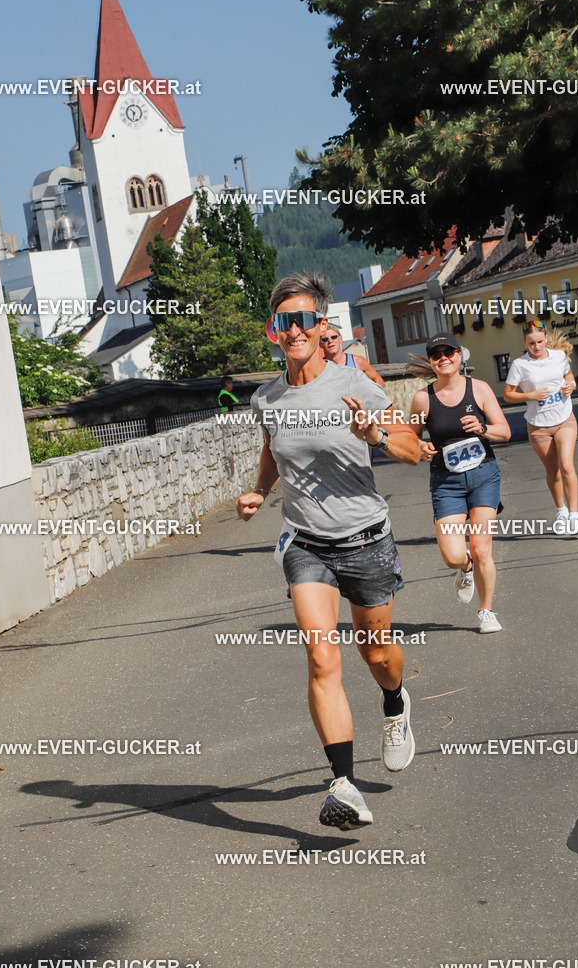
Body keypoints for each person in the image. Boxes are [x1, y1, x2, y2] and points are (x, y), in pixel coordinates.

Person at [236, 272, 421, 830]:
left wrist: (375, 436)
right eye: (283, 321)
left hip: (365, 538)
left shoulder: (355, 384)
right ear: (274, 330)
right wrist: (259, 490)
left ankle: (395, 703)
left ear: (320, 327)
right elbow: (274, 446)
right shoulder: (267, 396)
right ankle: (343, 782)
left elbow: (413, 450)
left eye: (303, 320)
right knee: (321, 656)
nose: (294, 330)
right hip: (306, 541)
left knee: (377, 655)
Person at [409, 333, 511, 633]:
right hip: (446, 482)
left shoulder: (478, 389)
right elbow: (408, 438)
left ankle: (486, 611)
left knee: (481, 548)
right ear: (431, 361)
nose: (444, 358)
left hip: (483, 476)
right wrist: (419, 447)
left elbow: (504, 432)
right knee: (454, 555)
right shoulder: (422, 398)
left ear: (459, 355)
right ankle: (465, 569)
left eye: (449, 352)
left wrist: (482, 428)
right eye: (436, 354)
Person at [503, 321, 578, 533]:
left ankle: (574, 515)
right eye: (531, 343)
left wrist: (570, 385)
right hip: (538, 426)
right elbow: (508, 394)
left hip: (564, 418)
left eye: (539, 341)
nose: (536, 347)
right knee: (552, 471)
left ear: (546, 338)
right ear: (524, 342)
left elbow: (569, 376)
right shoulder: (520, 365)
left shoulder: (559, 357)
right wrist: (531, 395)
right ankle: (561, 511)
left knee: (566, 465)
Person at [320, 326, 385, 386]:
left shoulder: (358, 362)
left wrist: (370, 397)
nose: (330, 341)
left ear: (340, 339)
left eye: (334, 337)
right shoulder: (319, 367)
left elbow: (378, 380)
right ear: (320, 344)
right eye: (325, 339)